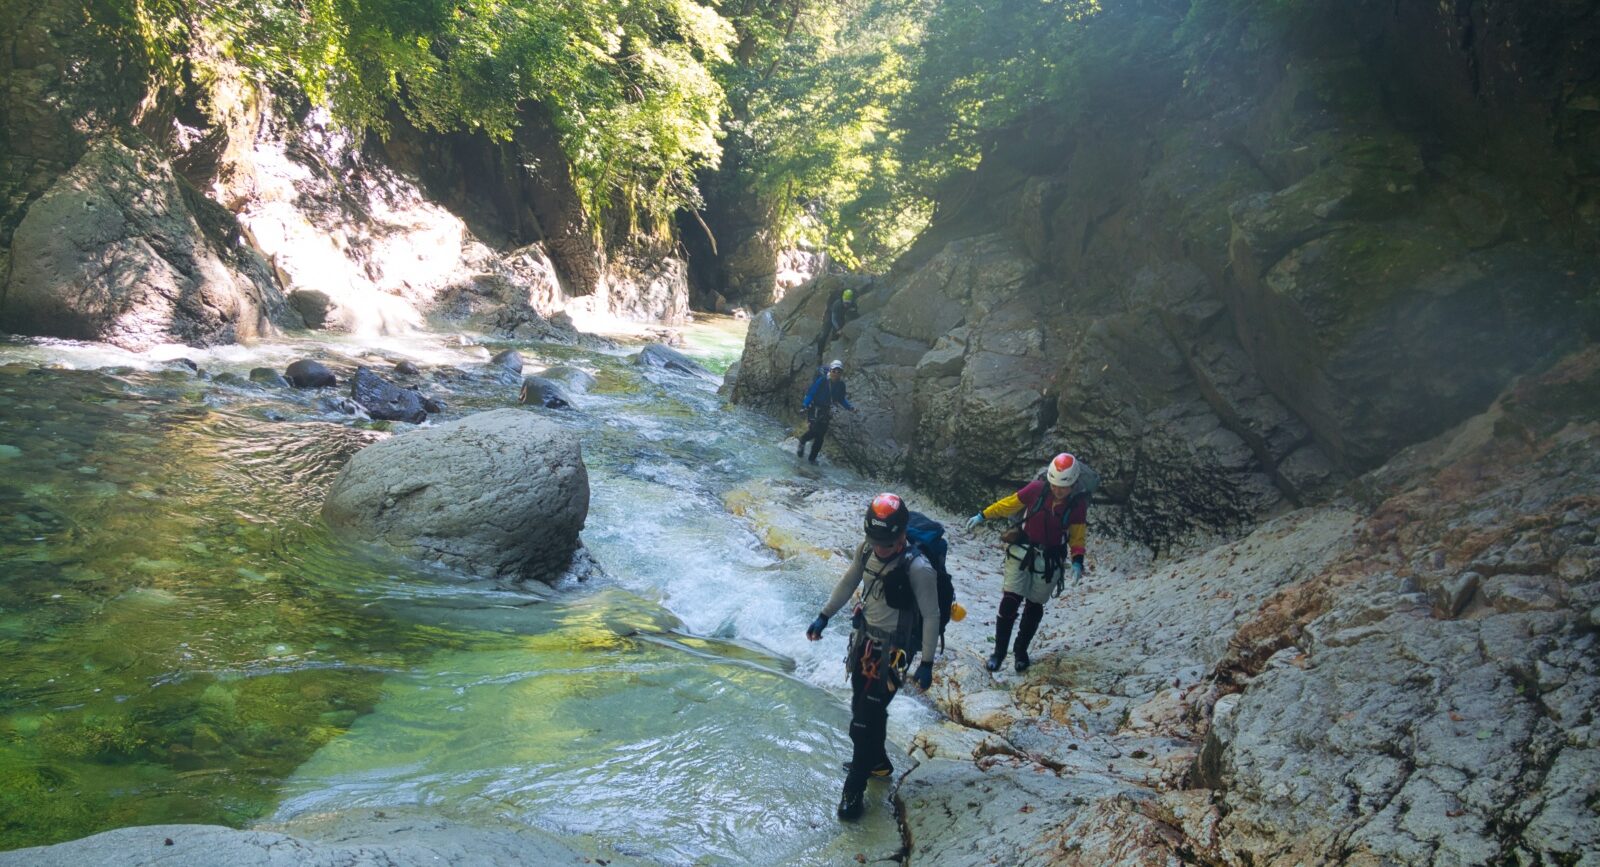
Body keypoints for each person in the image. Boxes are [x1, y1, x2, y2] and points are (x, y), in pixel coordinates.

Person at [806, 492, 940, 821]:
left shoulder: (918, 569)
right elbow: (849, 579)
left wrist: (926, 662)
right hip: (864, 642)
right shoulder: (867, 549)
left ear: (901, 535)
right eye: (875, 540)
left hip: (894, 654)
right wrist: (824, 616)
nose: (880, 548)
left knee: (864, 722)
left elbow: (932, 615)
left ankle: (854, 791)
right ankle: (877, 764)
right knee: (861, 711)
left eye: (887, 542)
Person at [964, 452, 1091, 673]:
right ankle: (999, 652)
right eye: (1054, 485)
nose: (1057, 490)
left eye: (1063, 487)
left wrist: (1078, 560)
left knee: (1034, 605)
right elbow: (1009, 504)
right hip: (1023, 550)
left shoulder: (1077, 505)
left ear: (1073, 484)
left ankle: (1021, 650)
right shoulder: (1036, 489)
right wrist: (983, 515)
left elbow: (1077, 535)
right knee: (1010, 600)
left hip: (1050, 559)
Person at [797, 359, 854, 463]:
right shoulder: (822, 380)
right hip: (814, 407)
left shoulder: (841, 385)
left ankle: (812, 459)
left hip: (826, 410)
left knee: (820, 436)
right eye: (834, 371)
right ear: (830, 371)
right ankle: (803, 440)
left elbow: (841, 399)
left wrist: (850, 407)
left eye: (839, 371)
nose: (836, 374)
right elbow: (811, 394)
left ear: (841, 373)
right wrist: (805, 405)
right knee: (815, 429)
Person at [814, 287, 858, 356]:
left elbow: (855, 313)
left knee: (836, 335)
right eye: (845, 303)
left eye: (848, 303)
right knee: (824, 334)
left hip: (841, 314)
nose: (846, 305)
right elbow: (833, 319)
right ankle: (819, 354)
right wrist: (838, 329)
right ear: (843, 299)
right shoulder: (837, 304)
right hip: (830, 314)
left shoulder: (853, 303)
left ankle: (830, 350)